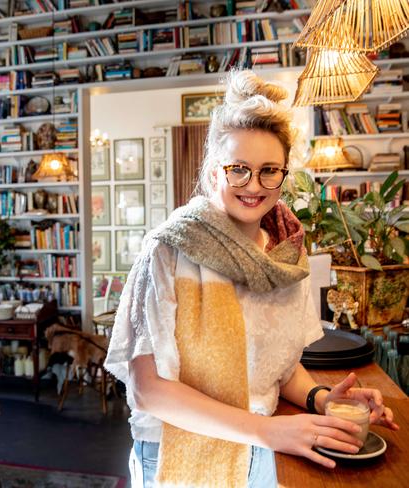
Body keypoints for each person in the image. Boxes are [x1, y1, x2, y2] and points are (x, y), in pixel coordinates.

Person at [104, 70, 399, 488]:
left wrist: (322, 399)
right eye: (238, 169)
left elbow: (278, 368)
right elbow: (149, 390)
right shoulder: (169, 251)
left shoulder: (287, 257)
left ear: (283, 176)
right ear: (213, 174)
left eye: (268, 171)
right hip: (177, 456)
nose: (253, 185)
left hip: (260, 453)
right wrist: (266, 431)